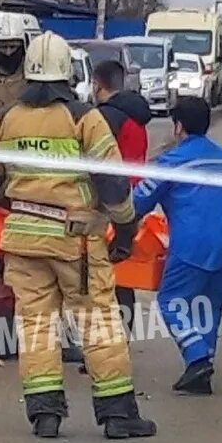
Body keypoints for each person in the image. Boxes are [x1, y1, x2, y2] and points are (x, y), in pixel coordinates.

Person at [0, 31, 156, 441]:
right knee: (98, 321)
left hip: (21, 238)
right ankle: (116, 414)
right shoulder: (84, 118)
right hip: (76, 240)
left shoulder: (5, 119)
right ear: (67, 73)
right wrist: (125, 228)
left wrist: (15, 194)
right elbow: (112, 184)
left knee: (36, 324)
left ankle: (44, 414)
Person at [133, 97, 222, 396]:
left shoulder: (173, 162)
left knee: (171, 300)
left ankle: (196, 357)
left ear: (178, 126)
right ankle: (202, 369)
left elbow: (138, 202)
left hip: (193, 244)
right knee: (209, 307)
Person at [90, 58, 152, 327]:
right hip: (132, 201)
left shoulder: (104, 118)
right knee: (123, 276)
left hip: (107, 203)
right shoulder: (136, 117)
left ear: (96, 84)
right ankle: (123, 333)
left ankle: (101, 343)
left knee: (98, 277)